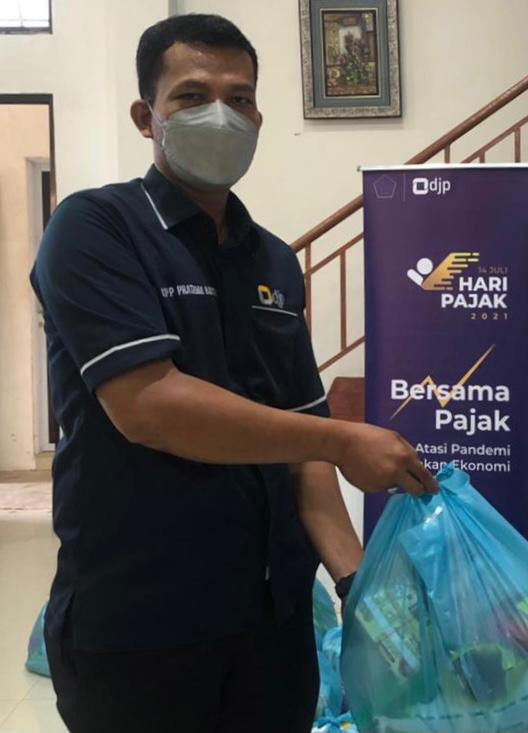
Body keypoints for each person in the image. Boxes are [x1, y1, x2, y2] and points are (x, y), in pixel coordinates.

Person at [29, 14, 436, 733]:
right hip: (139, 628)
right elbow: (149, 405)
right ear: (146, 117)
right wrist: (344, 439)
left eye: (239, 98)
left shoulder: (273, 260)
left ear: (257, 116)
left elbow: (303, 446)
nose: (221, 115)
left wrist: (354, 580)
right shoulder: (96, 229)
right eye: (192, 96)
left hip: (271, 625)